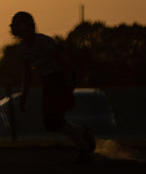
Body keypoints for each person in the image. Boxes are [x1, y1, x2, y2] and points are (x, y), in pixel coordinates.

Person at [10, 11, 95, 162]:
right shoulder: (22, 49)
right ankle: (82, 132)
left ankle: (83, 148)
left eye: (22, 26)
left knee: (54, 119)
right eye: (18, 27)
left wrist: (69, 89)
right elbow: (28, 75)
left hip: (60, 78)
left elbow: (65, 66)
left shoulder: (45, 42)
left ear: (30, 27)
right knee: (51, 123)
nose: (21, 31)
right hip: (48, 81)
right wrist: (23, 96)